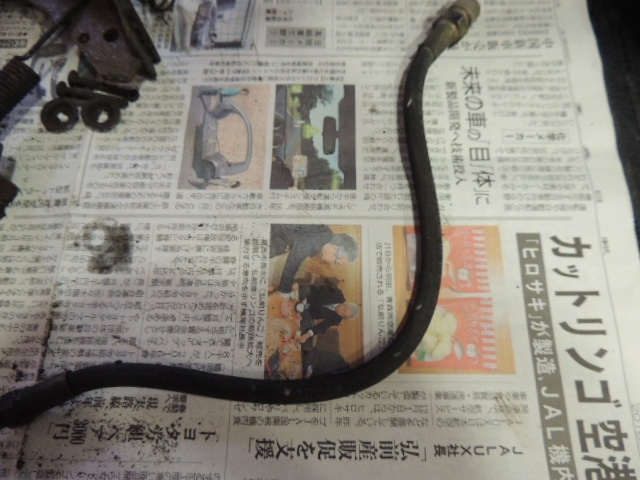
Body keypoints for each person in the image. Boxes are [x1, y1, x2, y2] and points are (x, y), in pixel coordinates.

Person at [270, 224, 358, 294]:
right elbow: (295, 259)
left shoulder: (321, 242)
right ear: (334, 248)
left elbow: (299, 243)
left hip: (281, 241)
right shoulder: (322, 236)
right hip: (274, 230)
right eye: (335, 261)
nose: (331, 262)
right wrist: (285, 290)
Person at [294, 285, 360, 344]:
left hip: (310, 313)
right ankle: (293, 297)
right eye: (344, 309)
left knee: (303, 327)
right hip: (310, 297)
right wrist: (305, 302)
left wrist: (306, 335)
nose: (341, 312)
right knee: (305, 290)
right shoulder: (338, 294)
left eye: (344, 315)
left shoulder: (337, 320)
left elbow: (322, 327)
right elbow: (319, 291)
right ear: (345, 303)